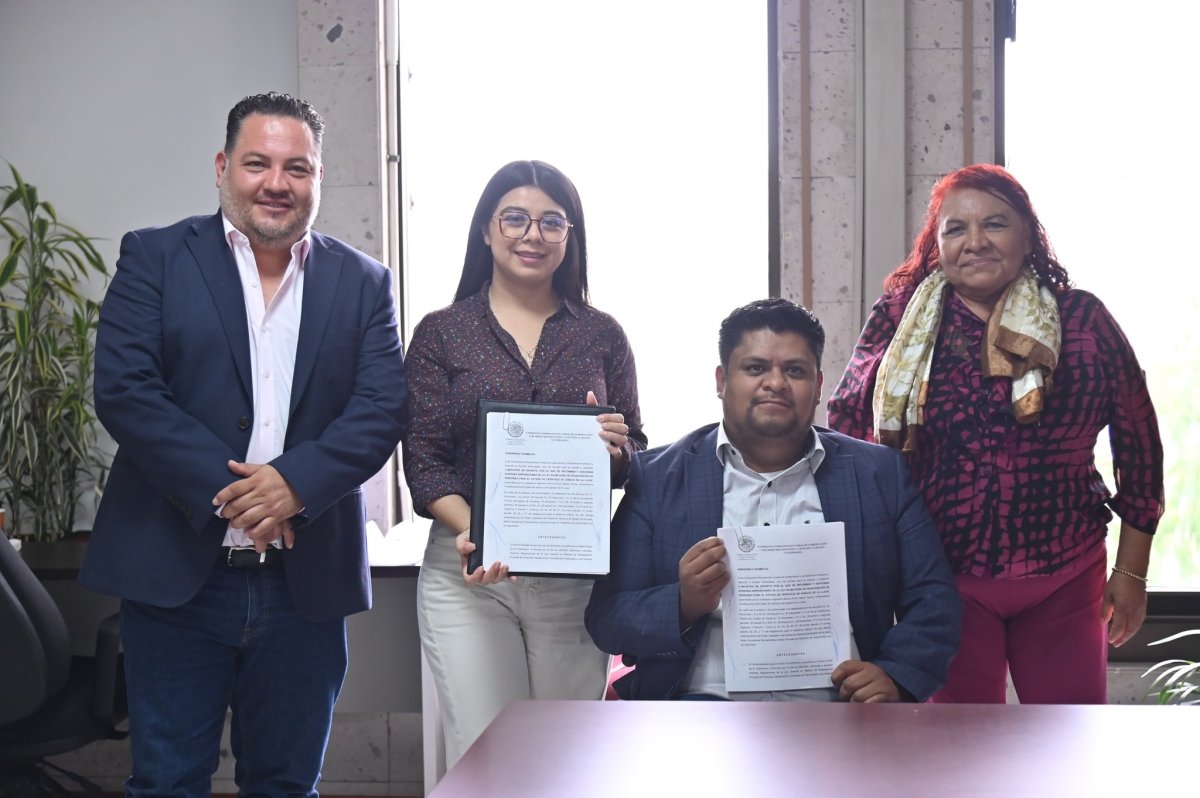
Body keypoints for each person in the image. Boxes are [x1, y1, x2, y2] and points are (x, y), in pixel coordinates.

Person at [81, 92, 407, 797]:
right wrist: (241, 494)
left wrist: (294, 485)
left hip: (303, 584)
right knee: (167, 783)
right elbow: (127, 390)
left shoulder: (365, 283)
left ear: (318, 177)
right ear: (222, 167)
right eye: (258, 163)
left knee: (287, 785)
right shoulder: (155, 257)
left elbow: (381, 410)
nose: (276, 183)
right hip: (177, 580)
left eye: (297, 167)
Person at [826, 164, 1165, 704]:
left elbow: (1140, 444)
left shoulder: (1082, 320)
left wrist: (1132, 572)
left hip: (1067, 575)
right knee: (957, 749)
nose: (975, 242)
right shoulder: (897, 319)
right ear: (936, 244)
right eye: (956, 228)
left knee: (1070, 741)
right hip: (939, 586)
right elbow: (848, 431)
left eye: (995, 224)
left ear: (1028, 235)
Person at [585, 298, 960, 702]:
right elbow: (607, 619)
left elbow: (935, 601)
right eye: (755, 368)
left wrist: (895, 676)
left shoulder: (879, 474)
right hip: (702, 711)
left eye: (794, 370)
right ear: (721, 381)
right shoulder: (658, 478)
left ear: (818, 385)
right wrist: (682, 603)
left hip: (838, 708)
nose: (776, 383)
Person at [402, 160, 647, 764]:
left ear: (570, 237)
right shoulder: (441, 333)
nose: (532, 234)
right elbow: (425, 463)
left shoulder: (602, 335)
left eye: (551, 222)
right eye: (514, 218)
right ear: (487, 229)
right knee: (488, 760)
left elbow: (635, 452)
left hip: (573, 581)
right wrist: (481, 534)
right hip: (470, 576)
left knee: (566, 761)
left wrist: (616, 449)